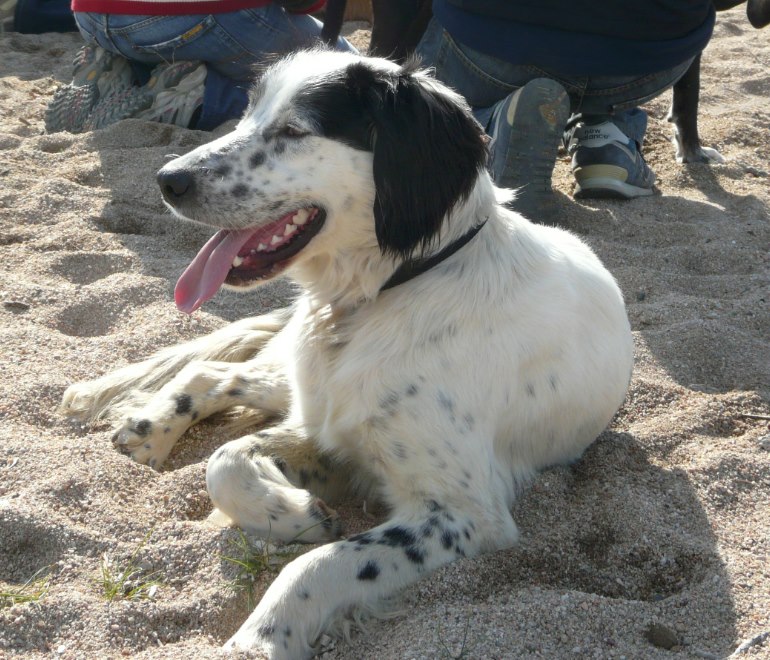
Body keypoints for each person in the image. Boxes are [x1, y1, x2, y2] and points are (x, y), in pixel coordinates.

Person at [415, 0, 716, 216]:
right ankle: (606, 141)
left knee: (440, 107)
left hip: (494, 45)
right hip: (646, 61)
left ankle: (494, 130)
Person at [45, 0, 356, 133]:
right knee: (344, 77)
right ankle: (199, 101)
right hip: (185, 17)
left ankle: (134, 75)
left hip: (91, 16)